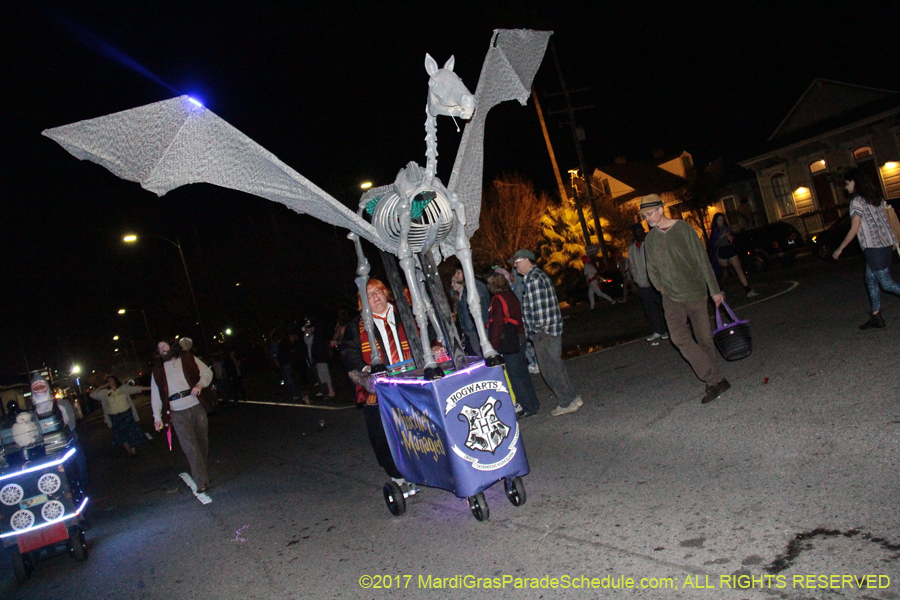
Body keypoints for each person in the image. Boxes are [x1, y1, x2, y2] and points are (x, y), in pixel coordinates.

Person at [641, 194, 731, 404]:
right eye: (644, 216)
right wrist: (661, 288)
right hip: (671, 297)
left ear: (661, 209)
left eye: (650, 213)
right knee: (679, 338)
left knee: (704, 339)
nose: (647, 218)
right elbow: (651, 268)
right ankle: (715, 378)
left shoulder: (683, 229)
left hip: (696, 292)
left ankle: (713, 384)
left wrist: (714, 290)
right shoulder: (651, 239)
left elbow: (702, 259)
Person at [341, 278, 418, 497]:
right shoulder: (356, 327)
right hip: (380, 390)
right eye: (368, 294)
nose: (374, 296)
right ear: (362, 302)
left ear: (386, 293)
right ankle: (398, 475)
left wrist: (435, 345)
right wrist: (364, 373)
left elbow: (427, 335)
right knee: (384, 435)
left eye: (377, 291)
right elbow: (348, 354)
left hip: (411, 382)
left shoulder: (406, 314)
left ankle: (425, 464)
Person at [510, 249, 584, 416]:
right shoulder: (537, 276)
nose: (515, 266)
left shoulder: (533, 279)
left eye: (517, 261)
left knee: (550, 370)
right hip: (549, 330)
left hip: (544, 332)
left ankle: (566, 402)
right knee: (556, 366)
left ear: (527, 260)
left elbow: (538, 309)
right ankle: (571, 397)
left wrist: (535, 329)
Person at [833, 167, 900, 330]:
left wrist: (839, 249)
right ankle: (876, 316)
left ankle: (877, 317)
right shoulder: (875, 198)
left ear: (854, 183)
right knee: (870, 279)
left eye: (847, 183)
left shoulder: (856, 201)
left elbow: (854, 228)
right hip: (885, 244)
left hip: (873, 248)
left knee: (886, 283)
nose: (845, 187)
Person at [150, 339, 214, 493]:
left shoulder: (188, 358)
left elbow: (207, 372)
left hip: (195, 406)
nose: (163, 349)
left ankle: (202, 473)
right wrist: (157, 417)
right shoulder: (158, 371)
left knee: (202, 442)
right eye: (160, 348)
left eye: (165, 345)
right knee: (190, 448)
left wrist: (200, 384)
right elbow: (155, 395)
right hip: (177, 412)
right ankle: (201, 481)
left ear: (172, 347)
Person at [487, 272, 540, 418]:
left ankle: (528, 406)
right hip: (519, 337)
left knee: (515, 376)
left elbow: (497, 324)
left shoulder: (497, 299)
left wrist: (493, 345)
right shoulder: (511, 295)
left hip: (510, 341)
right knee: (523, 374)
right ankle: (532, 403)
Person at [627, 223, 669, 344]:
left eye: (641, 230)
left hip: (655, 281)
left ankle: (668, 329)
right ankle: (657, 330)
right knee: (650, 309)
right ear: (634, 234)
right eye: (637, 232)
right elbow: (632, 266)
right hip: (642, 283)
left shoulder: (651, 242)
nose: (640, 233)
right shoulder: (632, 248)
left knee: (663, 306)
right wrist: (634, 281)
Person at [90, 375, 150, 457]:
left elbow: (136, 389)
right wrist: (101, 386)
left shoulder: (123, 388)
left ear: (115, 381)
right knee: (121, 434)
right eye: (108, 381)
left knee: (131, 432)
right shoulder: (104, 392)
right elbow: (92, 395)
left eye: (111, 380)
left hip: (126, 414)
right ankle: (128, 451)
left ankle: (133, 450)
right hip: (115, 416)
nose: (110, 382)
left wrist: (151, 388)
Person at [708, 213, 758, 298]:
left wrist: (731, 238)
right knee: (725, 273)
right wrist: (721, 237)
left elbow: (732, 239)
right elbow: (713, 243)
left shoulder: (726, 228)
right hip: (721, 252)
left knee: (739, 269)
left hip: (730, 249)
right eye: (719, 220)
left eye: (722, 219)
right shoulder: (715, 231)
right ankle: (720, 290)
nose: (721, 221)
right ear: (716, 221)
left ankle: (748, 290)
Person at [451, 266, 491, 357]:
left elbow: (482, 308)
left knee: (483, 355)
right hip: (472, 331)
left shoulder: (475, 286)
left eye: (458, 273)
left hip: (478, 330)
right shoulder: (465, 290)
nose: (456, 275)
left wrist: (478, 328)